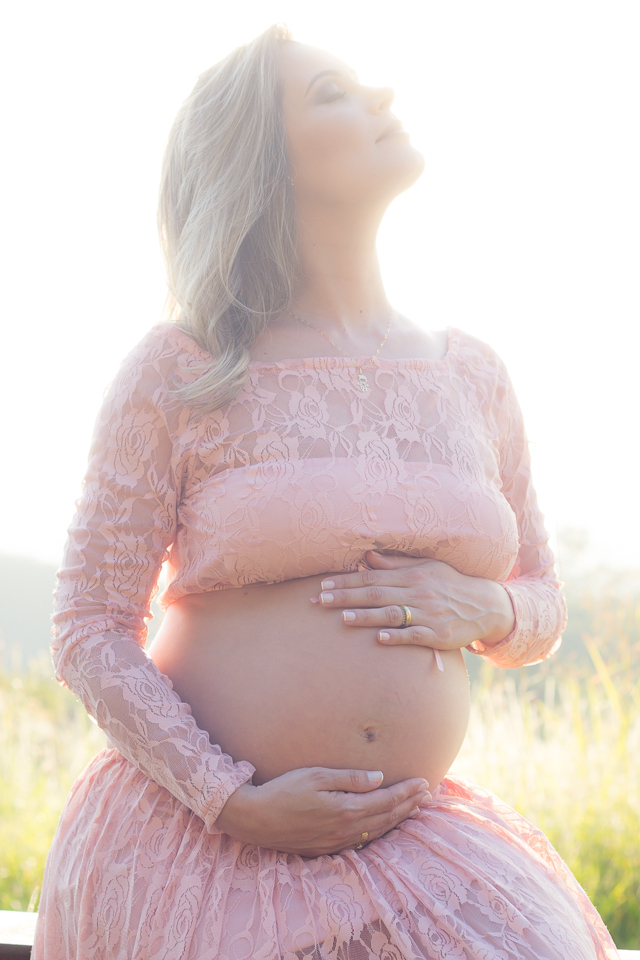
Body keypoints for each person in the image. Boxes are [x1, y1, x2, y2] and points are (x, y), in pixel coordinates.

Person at [33, 24, 619, 960]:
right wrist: (232, 800)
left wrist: (484, 603)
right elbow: (90, 626)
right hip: (201, 843)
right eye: (332, 93)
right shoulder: (183, 371)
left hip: (407, 837)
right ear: (261, 161)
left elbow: (541, 605)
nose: (381, 97)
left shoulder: (473, 373)